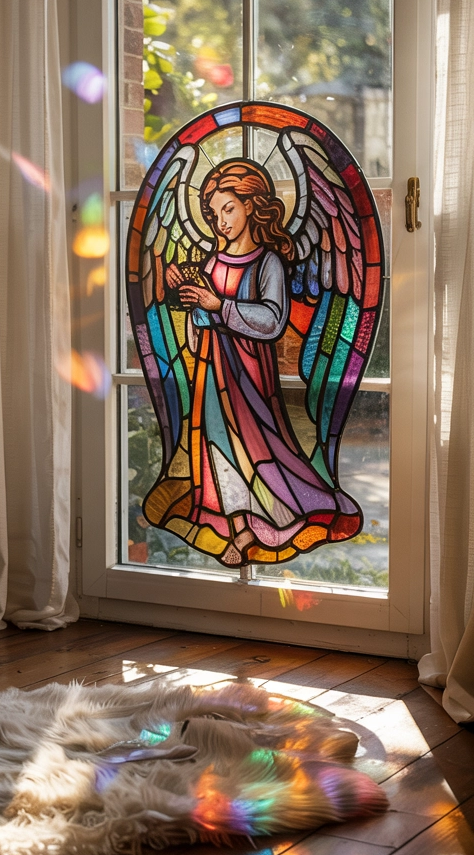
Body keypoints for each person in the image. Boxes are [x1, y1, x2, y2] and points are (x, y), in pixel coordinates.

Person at [147, 159, 361, 565]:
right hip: (212, 370)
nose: (220, 221)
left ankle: (281, 513)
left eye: (228, 209)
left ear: (250, 206)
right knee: (217, 445)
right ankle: (240, 528)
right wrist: (190, 294)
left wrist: (218, 304)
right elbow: (201, 322)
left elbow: (272, 320)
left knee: (258, 446)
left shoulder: (268, 263)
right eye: (213, 213)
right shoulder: (212, 262)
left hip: (249, 376)